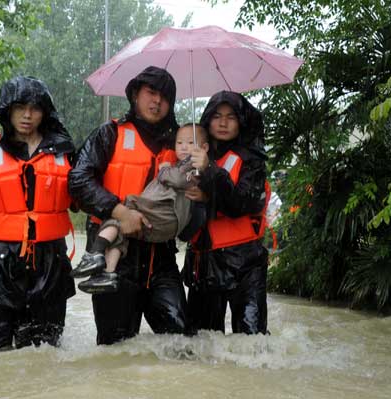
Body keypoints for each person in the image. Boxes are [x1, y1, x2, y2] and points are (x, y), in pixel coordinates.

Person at [69, 66, 199, 344]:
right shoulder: (109, 134)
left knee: (182, 344)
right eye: (151, 93)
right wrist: (120, 212)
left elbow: (204, 189)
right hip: (116, 259)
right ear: (135, 95)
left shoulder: (184, 144)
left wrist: (204, 180)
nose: (157, 102)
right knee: (116, 349)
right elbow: (78, 181)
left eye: (165, 97)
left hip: (161, 259)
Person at [0, 76, 76, 352]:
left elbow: (87, 196)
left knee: (43, 353)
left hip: (50, 261)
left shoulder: (65, 152)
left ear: (45, 113)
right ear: (7, 110)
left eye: (35, 108)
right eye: (20, 107)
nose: (27, 115)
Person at [71, 123, 209, 294]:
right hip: (151, 220)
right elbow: (79, 180)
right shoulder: (111, 132)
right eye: (179, 143)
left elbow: (181, 181)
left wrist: (164, 170)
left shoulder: (196, 168)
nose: (183, 147)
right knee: (120, 225)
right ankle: (107, 271)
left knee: (125, 208)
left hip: (166, 220)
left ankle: (95, 253)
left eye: (190, 143)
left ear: (204, 148)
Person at [182, 90, 270, 335]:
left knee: (252, 341)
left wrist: (209, 173)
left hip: (245, 262)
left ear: (240, 121)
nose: (223, 123)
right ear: (208, 120)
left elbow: (242, 202)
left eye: (231, 117)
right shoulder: (191, 155)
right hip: (204, 261)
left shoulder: (252, 160)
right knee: (201, 343)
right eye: (217, 116)